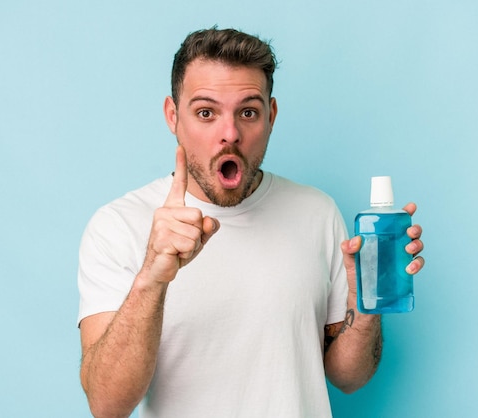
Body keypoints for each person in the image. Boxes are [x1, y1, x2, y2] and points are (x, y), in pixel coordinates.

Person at [77, 28, 425, 418]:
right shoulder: (118, 225)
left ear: (271, 116)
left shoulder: (317, 212)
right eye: (206, 113)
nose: (230, 135)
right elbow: (107, 405)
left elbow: (349, 378)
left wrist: (366, 304)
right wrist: (151, 280)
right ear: (173, 116)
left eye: (248, 112)